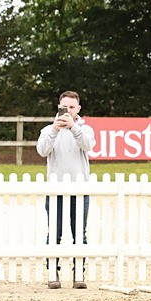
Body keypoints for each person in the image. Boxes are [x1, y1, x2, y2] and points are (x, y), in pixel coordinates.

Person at [36, 90, 94, 289]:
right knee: (55, 233)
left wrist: (74, 127)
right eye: (64, 107)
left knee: (80, 234)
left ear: (78, 109)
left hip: (80, 189)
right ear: (59, 107)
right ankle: (53, 273)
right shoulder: (48, 130)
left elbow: (88, 146)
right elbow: (42, 150)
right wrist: (55, 129)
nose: (68, 111)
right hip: (55, 190)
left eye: (72, 107)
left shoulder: (86, 129)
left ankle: (79, 275)